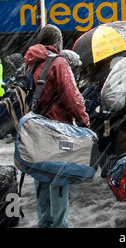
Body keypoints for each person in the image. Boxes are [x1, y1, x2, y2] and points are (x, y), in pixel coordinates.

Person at [24, 24, 90, 228]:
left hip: (36, 127)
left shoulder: (30, 62)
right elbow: (72, 97)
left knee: (41, 176)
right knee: (58, 178)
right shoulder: (58, 63)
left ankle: (45, 221)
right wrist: (84, 121)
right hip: (56, 128)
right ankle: (61, 224)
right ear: (57, 43)